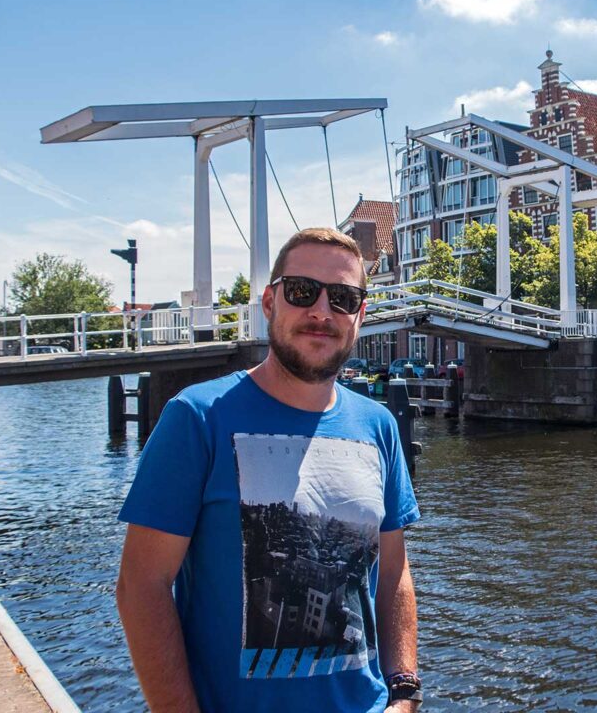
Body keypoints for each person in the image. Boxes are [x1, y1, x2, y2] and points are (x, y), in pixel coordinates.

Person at [116, 228, 422, 713]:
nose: (322, 311)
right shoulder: (198, 418)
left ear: (360, 315)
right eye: (303, 291)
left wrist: (404, 692)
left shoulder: (378, 426)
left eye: (343, 298)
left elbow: (393, 573)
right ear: (269, 301)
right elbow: (142, 586)